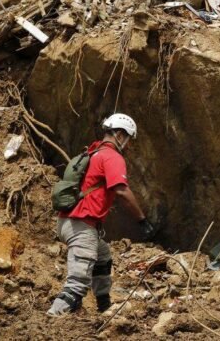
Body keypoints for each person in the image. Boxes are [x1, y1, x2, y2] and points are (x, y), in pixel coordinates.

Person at [47, 113, 154, 316]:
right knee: (77, 284)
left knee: (102, 256)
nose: (129, 145)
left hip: (67, 223)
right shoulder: (112, 156)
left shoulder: (93, 152)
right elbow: (121, 191)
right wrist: (142, 220)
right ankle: (52, 320)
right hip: (81, 226)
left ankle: (104, 306)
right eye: (129, 139)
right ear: (120, 135)